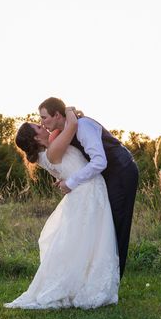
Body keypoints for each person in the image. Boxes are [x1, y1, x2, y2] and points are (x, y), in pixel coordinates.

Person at [4, 107, 119, 310]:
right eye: (38, 126)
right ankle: (78, 286)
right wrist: (66, 109)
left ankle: (82, 282)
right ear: (36, 138)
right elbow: (72, 124)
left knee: (85, 241)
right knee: (90, 240)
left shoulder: (48, 149)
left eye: (41, 121)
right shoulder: (53, 150)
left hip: (85, 191)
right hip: (86, 192)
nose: (42, 125)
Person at [38, 97, 139, 279]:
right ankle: (96, 277)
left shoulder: (83, 126)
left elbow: (99, 161)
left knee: (117, 225)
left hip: (122, 170)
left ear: (57, 115)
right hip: (107, 175)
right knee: (104, 224)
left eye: (44, 118)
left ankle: (112, 280)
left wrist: (71, 182)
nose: (42, 122)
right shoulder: (66, 130)